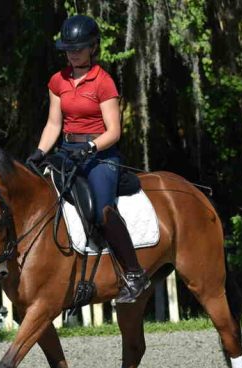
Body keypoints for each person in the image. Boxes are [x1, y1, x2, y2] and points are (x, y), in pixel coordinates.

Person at [26, 14, 149, 303]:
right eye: (68, 49)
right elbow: (54, 124)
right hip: (67, 152)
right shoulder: (58, 80)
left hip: (101, 156)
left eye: (78, 48)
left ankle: (134, 273)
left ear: (93, 47)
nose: (72, 53)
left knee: (102, 211)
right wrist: (40, 152)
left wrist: (91, 147)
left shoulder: (103, 82)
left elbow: (114, 131)